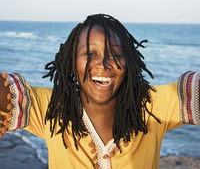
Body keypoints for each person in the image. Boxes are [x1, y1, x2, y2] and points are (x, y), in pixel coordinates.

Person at [0, 14, 199, 169]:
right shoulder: (51, 107)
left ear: (128, 64)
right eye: (91, 53)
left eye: (115, 54)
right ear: (71, 63)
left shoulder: (153, 105)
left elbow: (192, 92)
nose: (103, 64)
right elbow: (7, 95)